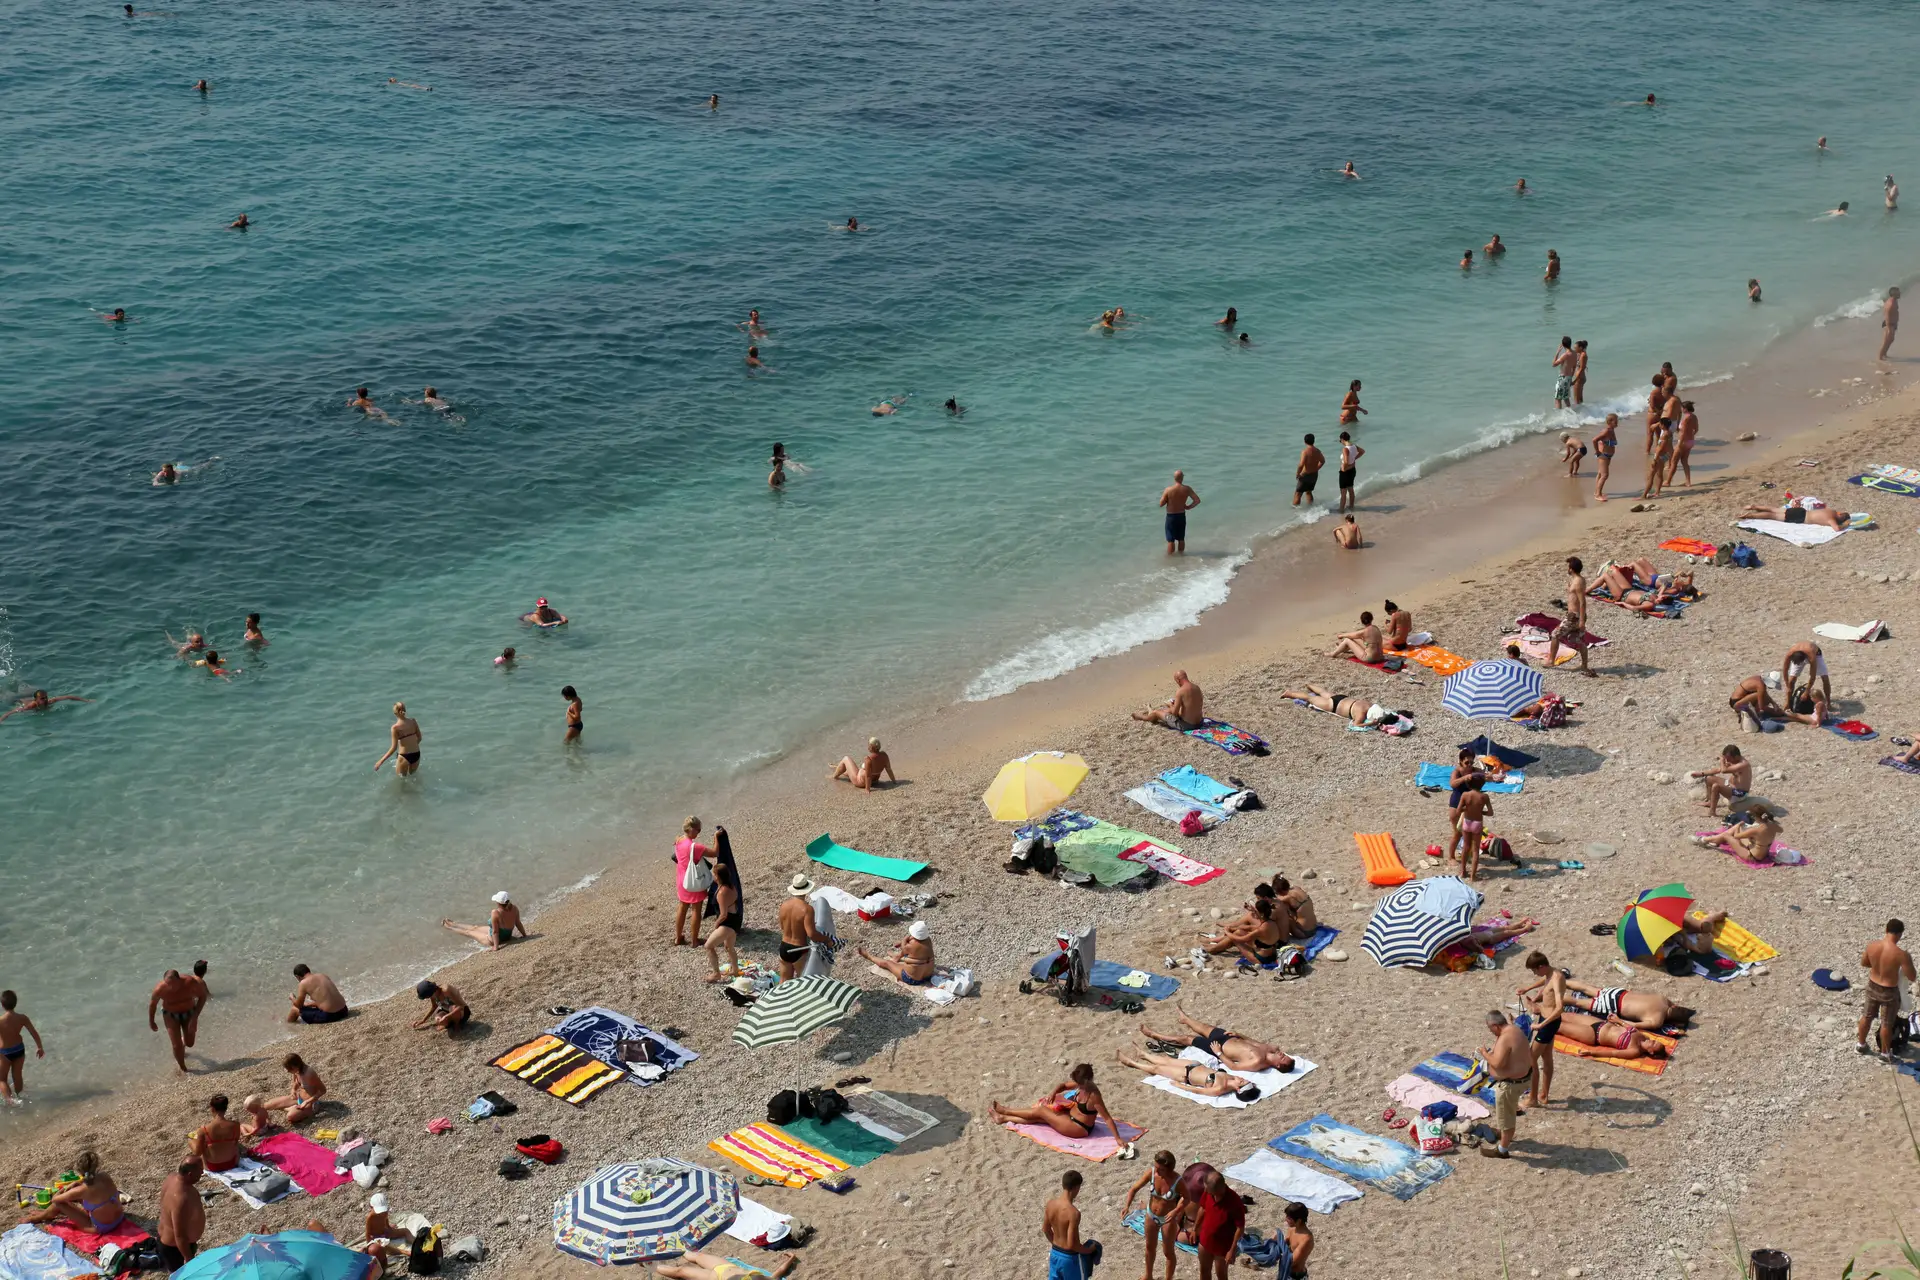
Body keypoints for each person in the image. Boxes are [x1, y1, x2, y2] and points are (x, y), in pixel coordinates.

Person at [1139, 1006, 1295, 1073]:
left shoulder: (1257, 1063)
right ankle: (1185, 1019)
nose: (1282, 1054)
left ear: (1278, 1065)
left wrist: (1219, 1053)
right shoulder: (1271, 1049)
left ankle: (1155, 1035)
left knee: (1187, 1039)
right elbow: (1253, 1042)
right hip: (1230, 1038)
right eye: (1285, 1055)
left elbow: (1234, 1068)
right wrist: (1239, 1034)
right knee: (1206, 1027)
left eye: (1284, 1058)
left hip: (1218, 1048)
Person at [989, 1062, 1119, 1139]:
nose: (1078, 1085)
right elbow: (1062, 1086)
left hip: (1079, 1128)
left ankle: (1006, 1110)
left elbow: (1107, 1118)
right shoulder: (1082, 1084)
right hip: (1071, 1119)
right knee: (1039, 1118)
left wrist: (1118, 1139)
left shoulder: (1094, 1095)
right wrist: (1053, 1094)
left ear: (1088, 1079)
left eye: (1080, 1083)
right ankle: (1003, 1118)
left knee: (1040, 1111)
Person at [1122, 1151, 1185, 1280]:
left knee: (1168, 1252)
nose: (1156, 1170)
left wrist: (1176, 1210)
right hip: (1151, 1215)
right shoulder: (1151, 1173)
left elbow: (1187, 1198)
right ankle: (1148, 1275)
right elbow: (1134, 1189)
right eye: (1155, 1166)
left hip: (1168, 1219)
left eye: (1160, 1168)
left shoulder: (1177, 1181)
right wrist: (1126, 1206)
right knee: (1149, 1247)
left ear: (1168, 1168)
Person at [26, 1153, 125, 1235]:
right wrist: (76, 1184)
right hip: (119, 1218)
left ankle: (38, 1218)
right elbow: (93, 1185)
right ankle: (45, 1214)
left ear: (79, 1171)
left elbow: (55, 1200)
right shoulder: (104, 1176)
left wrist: (63, 1190)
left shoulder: (82, 1190)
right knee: (74, 1196)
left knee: (59, 1203)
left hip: (100, 1228)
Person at [1859, 920, 1916, 1057]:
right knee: (1886, 1023)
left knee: (1866, 1016)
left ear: (1886, 930)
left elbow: (1865, 963)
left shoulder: (1872, 946)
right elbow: (1912, 976)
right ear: (1900, 934)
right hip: (1889, 991)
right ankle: (1885, 1054)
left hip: (1872, 985)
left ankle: (1860, 1045)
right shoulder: (1901, 954)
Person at [1478, 1011, 1531, 1157]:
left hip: (1510, 1085)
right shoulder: (1515, 1029)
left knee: (1506, 1119)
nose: (1491, 1032)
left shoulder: (1505, 1037)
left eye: (1490, 1029)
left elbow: (1497, 1063)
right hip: (1524, 1078)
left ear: (1495, 1026)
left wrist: (1484, 1053)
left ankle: (1502, 1150)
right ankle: (1504, 1133)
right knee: (1507, 1113)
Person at [1517, 951, 1566, 1106]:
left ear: (1542, 966)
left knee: (1531, 1059)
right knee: (1547, 1057)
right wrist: (1527, 989)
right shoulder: (1550, 973)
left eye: (1535, 970)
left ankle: (1532, 1099)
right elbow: (1545, 982)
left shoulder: (1557, 978)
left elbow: (1559, 1008)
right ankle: (1543, 1095)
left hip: (1549, 1023)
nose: (1535, 974)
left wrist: (1540, 1025)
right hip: (1546, 1020)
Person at [702, 826, 744, 982]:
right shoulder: (731, 885)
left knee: (709, 946)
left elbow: (723, 913)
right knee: (729, 947)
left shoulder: (721, 893)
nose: (713, 876)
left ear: (718, 877)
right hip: (736, 919)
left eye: (714, 874)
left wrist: (717, 924)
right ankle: (735, 970)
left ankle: (716, 973)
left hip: (727, 922)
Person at [1043, 1170, 1101, 1280]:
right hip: (1070, 1260)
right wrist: (1090, 1250)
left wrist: (1057, 1246)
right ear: (1076, 1188)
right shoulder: (1073, 1213)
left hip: (1055, 1254)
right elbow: (1071, 1245)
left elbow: (1046, 1229)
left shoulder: (1050, 1204)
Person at [1563, 982, 1693, 1030]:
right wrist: (1619, 1021)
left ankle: (1560, 980)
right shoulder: (1656, 1021)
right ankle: (1547, 998)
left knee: (1586, 988)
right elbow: (1634, 1025)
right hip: (1614, 1005)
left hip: (1619, 992)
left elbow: (1673, 1005)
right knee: (1576, 1002)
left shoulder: (1662, 999)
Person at [1200, 897, 1287, 967]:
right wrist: (1235, 928)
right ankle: (1215, 944)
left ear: (1261, 914)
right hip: (1271, 953)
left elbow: (1242, 939)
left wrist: (1228, 932)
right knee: (1239, 931)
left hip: (1261, 958)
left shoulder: (1261, 929)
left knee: (1236, 937)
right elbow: (1251, 927)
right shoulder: (1271, 922)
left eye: (1255, 911)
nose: (1253, 913)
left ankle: (1213, 949)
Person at [1555, 1011, 1671, 1061]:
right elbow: (1628, 1027)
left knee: (1559, 1026)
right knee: (1564, 1016)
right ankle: (1539, 1010)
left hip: (1593, 1035)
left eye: (1654, 1044)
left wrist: (1592, 1053)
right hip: (1600, 1023)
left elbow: (1613, 1054)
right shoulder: (1643, 1037)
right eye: (1656, 1041)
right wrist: (1618, 1020)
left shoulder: (1634, 1051)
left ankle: (1538, 1024)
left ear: (1651, 1052)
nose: (1653, 1041)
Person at [777, 874, 830, 981]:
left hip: (784, 947)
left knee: (783, 983)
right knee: (804, 983)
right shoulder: (807, 909)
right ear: (806, 890)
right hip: (799, 949)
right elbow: (812, 934)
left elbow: (782, 927)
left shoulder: (784, 905)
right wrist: (826, 939)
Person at [1195, 1170, 1246, 1280]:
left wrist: (1232, 1250)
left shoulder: (1234, 1202)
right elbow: (1202, 1208)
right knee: (1204, 1271)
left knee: (1221, 1275)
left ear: (1218, 1189)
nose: (1205, 1191)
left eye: (1208, 1189)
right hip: (1205, 1240)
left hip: (1223, 1246)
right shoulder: (1208, 1192)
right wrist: (1195, 1229)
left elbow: (1240, 1228)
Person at [1278, 682, 1396, 729]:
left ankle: (1309, 685)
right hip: (1333, 706)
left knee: (1324, 692)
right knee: (1310, 698)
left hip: (1342, 698)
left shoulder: (1369, 704)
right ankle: (1289, 693)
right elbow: (1356, 724)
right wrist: (1371, 723)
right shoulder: (1361, 714)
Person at [157, 1159, 206, 1271]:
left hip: (170, 1242)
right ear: (190, 1174)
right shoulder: (181, 1199)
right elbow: (179, 1235)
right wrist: (188, 1257)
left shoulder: (171, 1178)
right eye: (200, 1171)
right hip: (175, 1249)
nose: (202, 1173)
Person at [1692, 805, 1782, 863]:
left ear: (1755, 816)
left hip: (1752, 856)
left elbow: (1736, 836)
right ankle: (1715, 840)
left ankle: (1703, 840)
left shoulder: (1756, 830)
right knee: (1734, 830)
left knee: (1727, 835)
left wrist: (1738, 825)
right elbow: (1780, 830)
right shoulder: (1773, 826)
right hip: (1763, 853)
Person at [149, 969, 200, 1073]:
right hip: (170, 1015)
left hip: (189, 1013)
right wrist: (151, 1020)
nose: (171, 987)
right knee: (176, 1046)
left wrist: (195, 1018)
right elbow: (153, 1004)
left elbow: (202, 996)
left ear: (179, 980)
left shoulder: (190, 982)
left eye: (174, 984)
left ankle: (183, 1041)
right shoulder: (160, 989)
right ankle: (183, 1068)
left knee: (190, 1043)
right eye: (168, 984)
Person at [673, 818, 713, 945]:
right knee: (696, 909)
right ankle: (694, 940)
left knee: (682, 907)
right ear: (691, 829)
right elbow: (715, 852)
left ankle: (678, 937)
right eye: (698, 830)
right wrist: (717, 837)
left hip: (682, 880)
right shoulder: (694, 847)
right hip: (694, 880)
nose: (699, 833)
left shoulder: (678, 841)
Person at [442, 890, 526, 950]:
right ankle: (454, 924)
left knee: (468, 932)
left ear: (498, 902)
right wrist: (524, 935)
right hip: (506, 936)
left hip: (492, 939)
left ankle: (449, 927)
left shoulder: (496, 912)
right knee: (475, 927)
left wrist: (496, 947)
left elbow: (495, 932)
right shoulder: (514, 908)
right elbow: (518, 923)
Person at [0, 991, 44, 1105]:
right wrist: (39, 1047)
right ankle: (20, 1098)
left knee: (2, 1079)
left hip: (4, 1053)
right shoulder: (22, 1018)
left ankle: (10, 1101)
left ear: (2, 1004)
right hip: (19, 1049)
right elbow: (34, 1032)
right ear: (15, 1003)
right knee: (17, 1075)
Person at [861, 920, 935, 984]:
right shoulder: (928, 940)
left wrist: (904, 939)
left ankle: (868, 956)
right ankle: (897, 956)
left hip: (912, 979)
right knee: (910, 955)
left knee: (888, 963)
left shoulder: (910, 946)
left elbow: (904, 947)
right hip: (928, 976)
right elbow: (914, 942)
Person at [263, 1053, 326, 1124]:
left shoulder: (310, 1073)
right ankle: (290, 1107)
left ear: (295, 1066)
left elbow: (323, 1090)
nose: (288, 1071)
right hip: (299, 1098)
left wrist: (307, 1102)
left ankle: (289, 1108)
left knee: (290, 1117)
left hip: (310, 1104)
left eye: (289, 1069)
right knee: (267, 1105)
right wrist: (293, 1090)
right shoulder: (296, 1071)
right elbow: (295, 1083)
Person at [1690, 745, 1753, 815]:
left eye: (1728, 759)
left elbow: (1723, 770)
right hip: (1730, 785)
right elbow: (1718, 770)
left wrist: (1721, 760)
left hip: (1740, 793)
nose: (1727, 761)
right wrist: (1701, 774)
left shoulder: (1743, 764)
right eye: (1726, 759)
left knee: (1716, 786)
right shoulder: (1734, 760)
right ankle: (1710, 802)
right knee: (1709, 778)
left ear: (1736, 756)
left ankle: (1712, 812)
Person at [1133, 669, 1204, 731]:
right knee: (1168, 711)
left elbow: (1174, 714)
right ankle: (1150, 710)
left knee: (1156, 713)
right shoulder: (1196, 687)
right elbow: (1193, 706)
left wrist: (1170, 704)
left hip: (1188, 726)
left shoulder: (1181, 691)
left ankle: (1143, 717)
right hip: (1200, 723)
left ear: (1178, 680)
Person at [189, 1096, 242, 1171]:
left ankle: (191, 1138)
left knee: (191, 1138)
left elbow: (198, 1153)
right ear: (226, 1108)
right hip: (232, 1163)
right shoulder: (236, 1125)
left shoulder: (204, 1129)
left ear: (212, 1109)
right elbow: (236, 1141)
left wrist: (192, 1139)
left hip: (213, 1167)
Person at [829, 736, 895, 793]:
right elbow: (889, 769)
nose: (868, 746)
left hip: (860, 781)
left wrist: (867, 789)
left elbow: (868, 776)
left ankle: (834, 776)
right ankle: (837, 767)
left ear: (871, 747)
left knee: (846, 758)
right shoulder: (884, 755)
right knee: (848, 771)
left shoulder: (869, 759)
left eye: (868, 744)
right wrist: (894, 781)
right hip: (874, 781)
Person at [1454, 782, 1492, 880]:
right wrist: (1481, 811)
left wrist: (1466, 809)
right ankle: (1473, 876)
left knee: (1465, 847)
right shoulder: (1484, 796)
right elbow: (1490, 812)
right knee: (1475, 850)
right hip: (1477, 823)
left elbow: (1458, 811)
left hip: (1467, 822)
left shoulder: (1465, 795)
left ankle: (1463, 872)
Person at [658, 1254, 796, 1280]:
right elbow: (778, 1272)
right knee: (697, 1257)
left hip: (716, 1277)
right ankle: (674, 1247)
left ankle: (648, 1264)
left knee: (680, 1271)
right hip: (726, 1266)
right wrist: (792, 1258)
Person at [1159, 469, 1200, 554]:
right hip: (1181, 515)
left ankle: (1171, 560)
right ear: (1182, 478)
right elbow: (1197, 500)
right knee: (1181, 538)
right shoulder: (1187, 489)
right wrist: (1188, 507)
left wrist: (1168, 499)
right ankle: (1181, 556)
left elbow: (1161, 504)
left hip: (1171, 516)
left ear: (1174, 478)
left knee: (1171, 540)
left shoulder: (1168, 489)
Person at [1781, 639, 1831, 710]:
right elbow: (1785, 670)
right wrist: (1787, 685)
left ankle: (1828, 702)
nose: (1798, 664)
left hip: (1816, 654)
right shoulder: (1790, 653)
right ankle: (1787, 703)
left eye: (1799, 663)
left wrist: (1806, 691)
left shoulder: (1812, 656)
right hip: (1799, 655)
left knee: (1825, 678)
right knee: (1791, 680)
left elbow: (1812, 676)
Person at [374, 702, 422, 775]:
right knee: (413, 778)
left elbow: (393, 748)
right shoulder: (413, 721)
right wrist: (411, 747)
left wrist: (380, 761)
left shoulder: (395, 728)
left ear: (395, 714)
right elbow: (420, 738)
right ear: (405, 710)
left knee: (402, 782)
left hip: (404, 756)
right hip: (416, 754)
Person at [1738, 502, 1849, 531]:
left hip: (1801, 511)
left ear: (1839, 513)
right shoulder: (1831, 520)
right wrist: (1845, 525)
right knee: (1773, 516)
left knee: (1774, 509)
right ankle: (1751, 515)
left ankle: (1754, 506)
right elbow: (1836, 529)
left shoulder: (1831, 512)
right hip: (1801, 518)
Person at [0, 690, 91, 723]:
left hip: (28, 698)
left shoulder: (50, 702)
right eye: (42, 698)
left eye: (46, 697)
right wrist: (1, 720)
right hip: (18, 701)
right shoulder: (31, 706)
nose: (46, 699)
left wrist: (86, 700)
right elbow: (10, 712)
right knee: (6, 695)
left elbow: (68, 697)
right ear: (36, 700)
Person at [1667, 401, 1699, 486]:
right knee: (1684, 461)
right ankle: (1688, 481)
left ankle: (1668, 481)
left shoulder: (1685, 419)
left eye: (1682, 408)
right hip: (1690, 441)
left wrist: (1679, 443)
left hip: (1683, 442)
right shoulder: (1694, 417)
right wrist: (1690, 436)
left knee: (1674, 461)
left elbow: (1683, 432)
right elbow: (1696, 429)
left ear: (1685, 409)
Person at [1280, 1201, 1314, 1278]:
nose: (1286, 1220)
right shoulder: (1292, 1229)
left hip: (1297, 1276)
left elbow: (1292, 1262)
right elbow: (1284, 1245)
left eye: (1289, 1218)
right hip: (1286, 1272)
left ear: (1299, 1220)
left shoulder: (1306, 1239)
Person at [1590, 414, 1618, 501]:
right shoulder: (1607, 431)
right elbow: (1594, 440)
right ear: (1609, 422)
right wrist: (1597, 451)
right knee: (1604, 475)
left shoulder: (1612, 430)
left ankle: (1597, 491)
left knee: (1600, 473)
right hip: (1603, 455)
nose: (1617, 422)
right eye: (1615, 421)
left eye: (1617, 420)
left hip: (1608, 455)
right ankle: (1598, 495)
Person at [1293, 434, 1324, 507]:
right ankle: (1311, 508)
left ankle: (1295, 511)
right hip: (1314, 475)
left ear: (1305, 441)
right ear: (1314, 441)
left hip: (1305, 475)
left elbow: (1301, 464)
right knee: (1309, 492)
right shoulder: (1317, 451)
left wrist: (1298, 474)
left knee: (1298, 494)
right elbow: (1322, 461)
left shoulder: (1305, 452)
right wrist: (1316, 468)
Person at [1337, 432, 1364, 512]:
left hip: (1345, 472)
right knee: (1351, 489)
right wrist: (1354, 459)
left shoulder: (1345, 449)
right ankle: (1351, 506)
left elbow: (1345, 461)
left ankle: (1341, 509)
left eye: (1340, 440)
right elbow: (1362, 451)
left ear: (1342, 439)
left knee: (1343, 492)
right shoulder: (1354, 446)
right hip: (1352, 470)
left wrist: (1344, 469)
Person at [1552, 336, 1576, 409]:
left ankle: (1559, 416)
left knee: (1558, 399)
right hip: (1569, 377)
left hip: (1562, 378)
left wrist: (1557, 352)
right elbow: (1574, 367)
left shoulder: (1565, 355)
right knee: (1566, 398)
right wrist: (1571, 376)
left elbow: (1554, 364)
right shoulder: (1575, 353)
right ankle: (1571, 414)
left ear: (1563, 344)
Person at [1882, 287, 1902, 361]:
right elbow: (1887, 315)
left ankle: (1884, 354)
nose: (1900, 293)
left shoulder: (1894, 301)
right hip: (1889, 324)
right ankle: (1880, 358)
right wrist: (1889, 328)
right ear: (1894, 294)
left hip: (1892, 323)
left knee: (1890, 340)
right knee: (1885, 342)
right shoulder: (1891, 304)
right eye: (1898, 292)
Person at [1572, 338, 1589, 405]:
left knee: (1576, 399)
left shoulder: (1583, 355)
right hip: (1580, 378)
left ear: (1581, 348)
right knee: (1579, 398)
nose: (1574, 349)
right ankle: (1582, 413)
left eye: (1576, 348)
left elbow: (1581, 368)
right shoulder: (1581, 354)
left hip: (1579, 378)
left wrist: (1575, 380)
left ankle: (1578, 414)